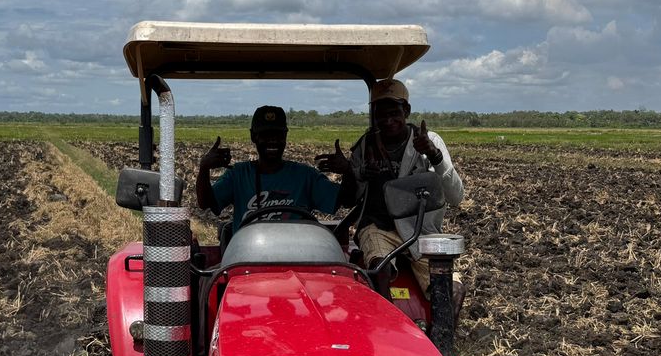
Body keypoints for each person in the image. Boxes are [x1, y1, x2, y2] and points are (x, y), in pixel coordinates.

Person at [316, 78, 463, 295]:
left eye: (394, 112)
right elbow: (349, 199)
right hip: (379, 227)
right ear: (374, 115)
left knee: (450, 291)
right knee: (378, 267)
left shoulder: (429, 141)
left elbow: (456, 197)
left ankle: (441, 329)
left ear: (407, 111)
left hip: (422, 231)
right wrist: (350, 170)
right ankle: (387, 320)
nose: (388, 120)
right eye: (381, 114)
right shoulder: (365, 147)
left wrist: (434, 156)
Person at [197, 105, 346, 235]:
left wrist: (348, 171)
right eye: (266, 135)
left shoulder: (305, 176)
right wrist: (204, 168)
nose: (272, 140)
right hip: (249, 257)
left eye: (278, 135)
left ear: (285, 136)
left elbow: (345, 199)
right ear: (253, 136)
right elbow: (205, 203)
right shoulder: (238, 174)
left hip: (296, 255)